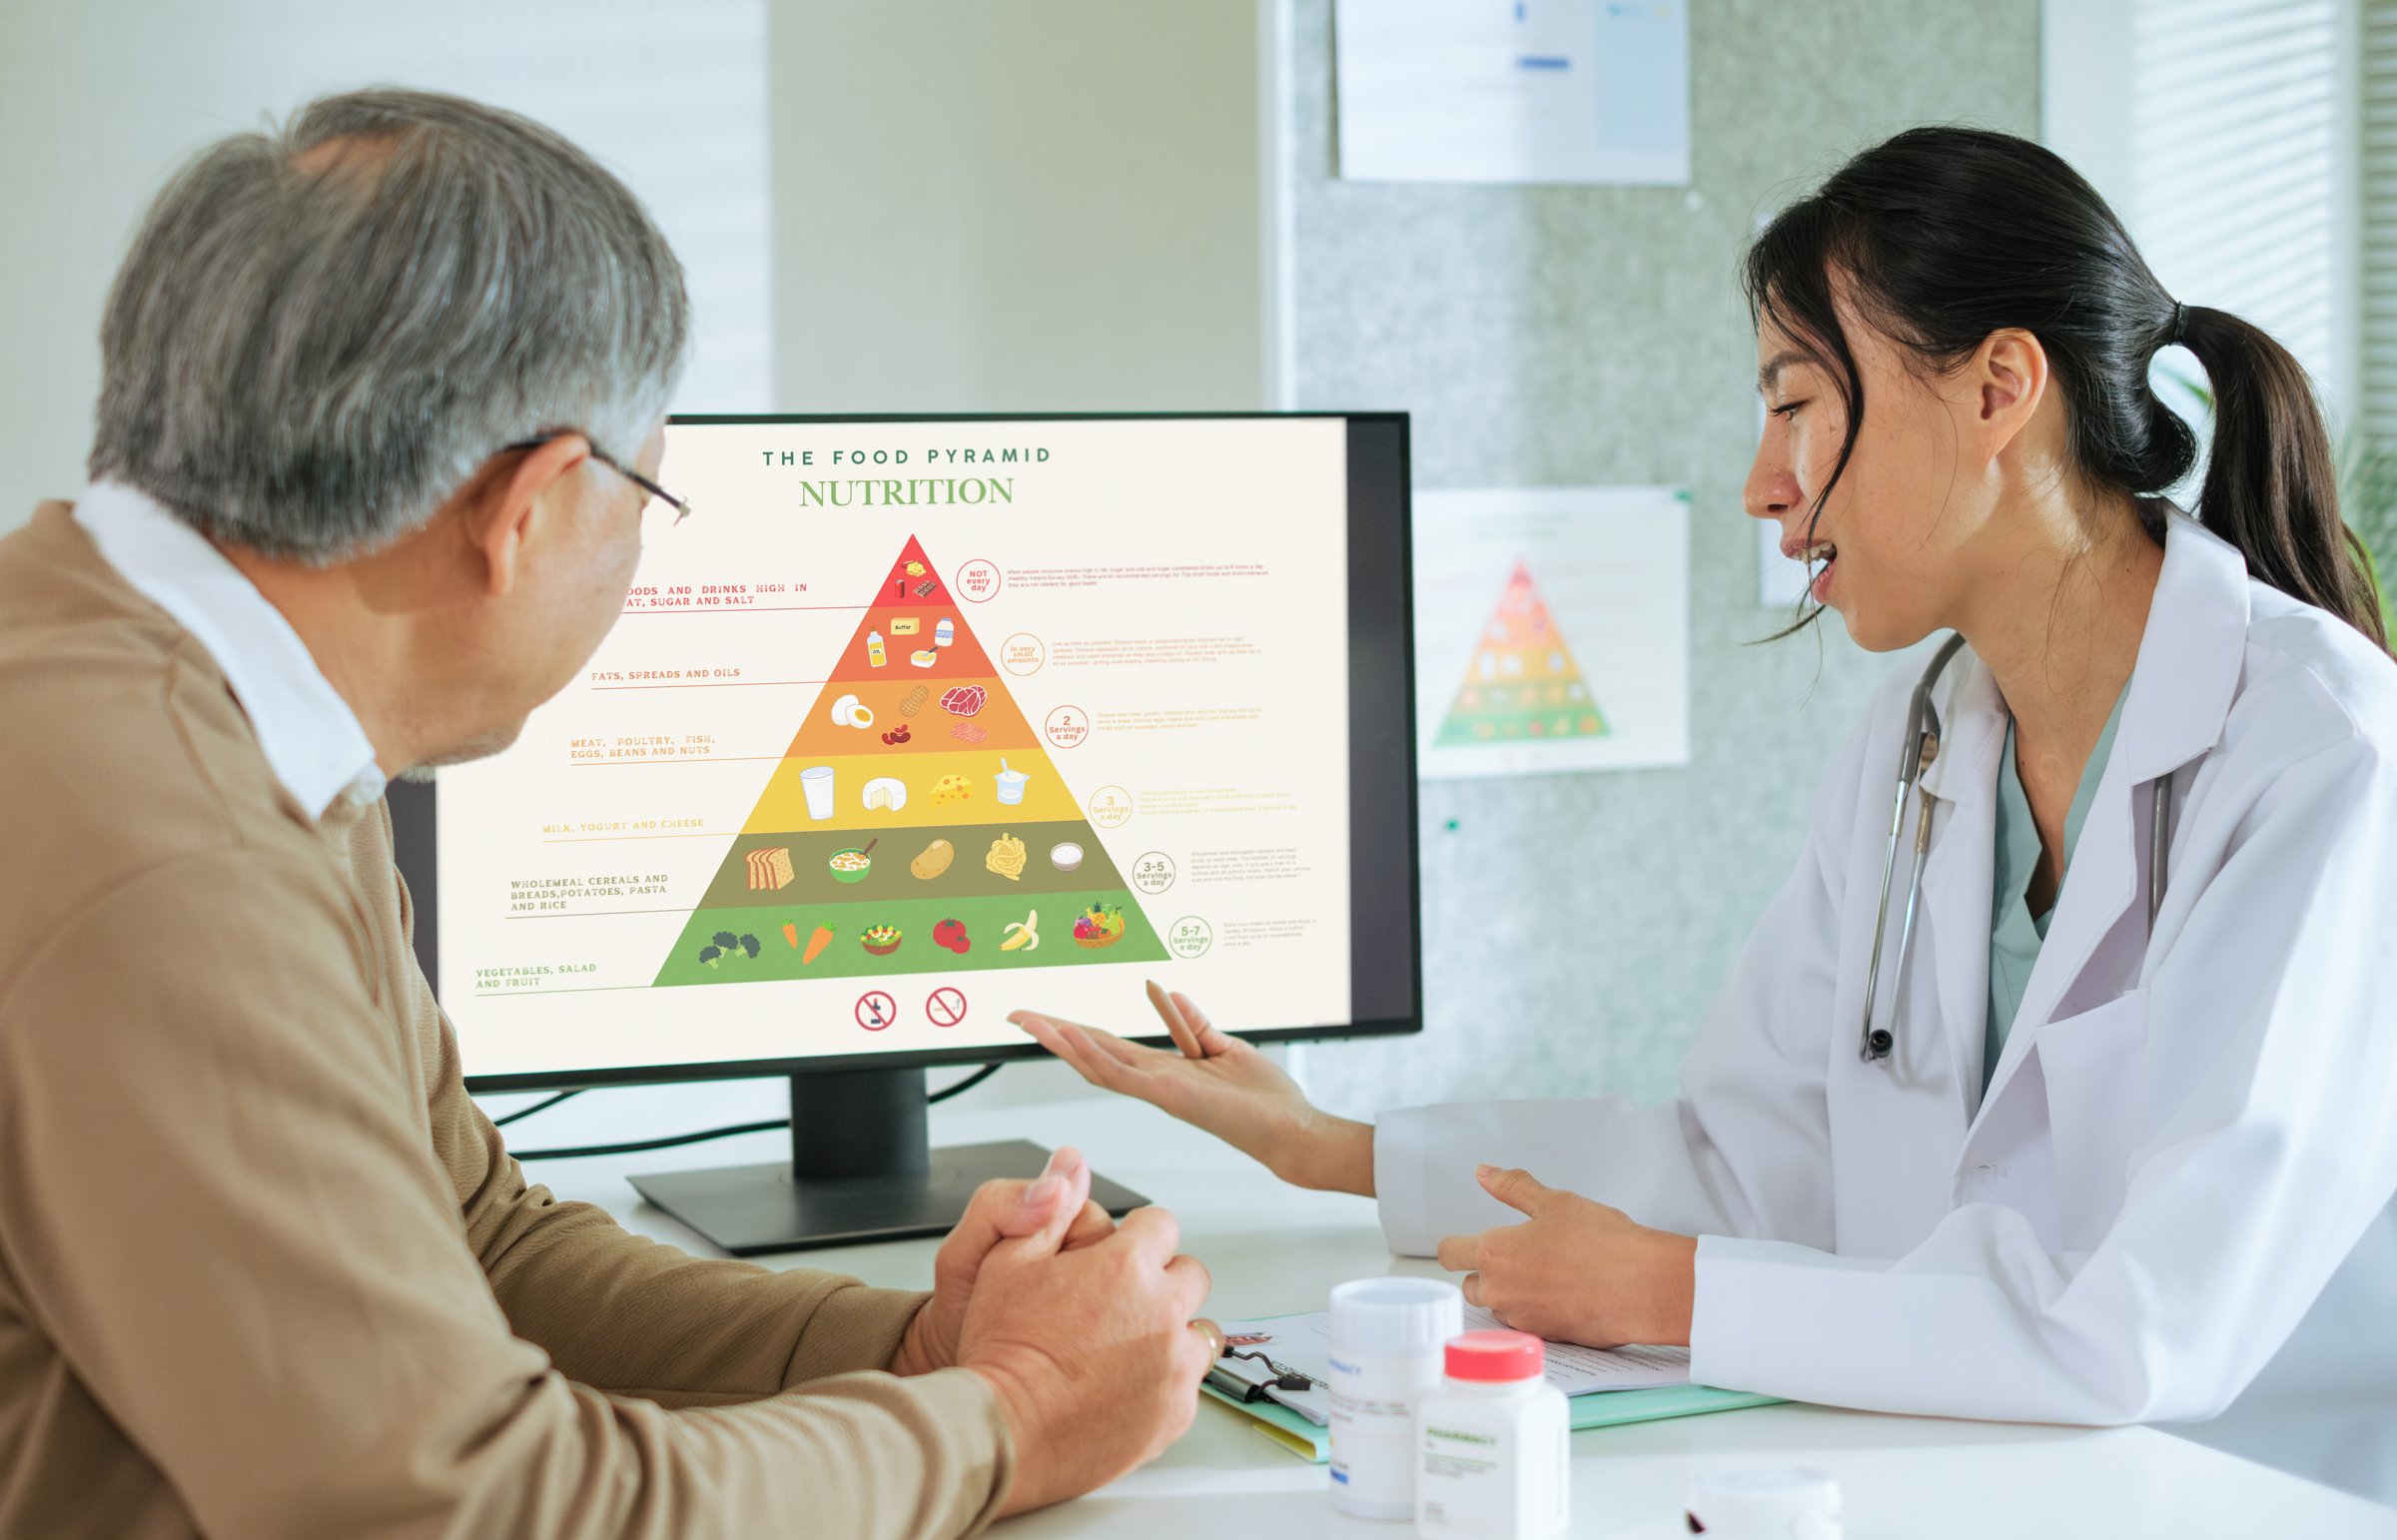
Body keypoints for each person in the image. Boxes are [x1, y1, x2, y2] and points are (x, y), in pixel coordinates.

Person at [1015, 125, 2397, 1428]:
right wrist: (1335, 1146)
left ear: (1998, 390)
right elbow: (1748, 1159)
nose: (1763, 484)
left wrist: (1669, 1290)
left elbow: (2146, 1323)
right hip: (1957, 1463)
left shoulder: (2316, 754)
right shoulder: (1917, 746)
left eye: (1797, 404)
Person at [0, 89, 1212, 1538]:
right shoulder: (172, 842)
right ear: (530, 506)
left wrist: (910, 1351)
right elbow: (473, 1508)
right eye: (649, 496)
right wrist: (1010, 1418)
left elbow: (472, 1237)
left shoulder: (220, 700)